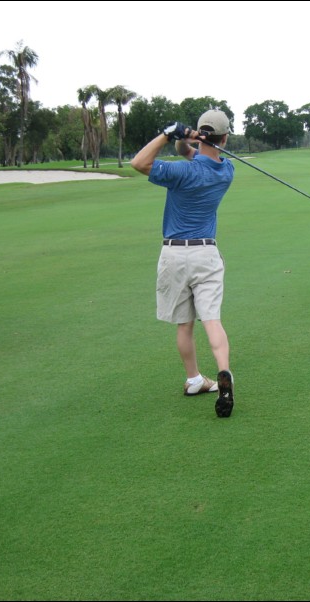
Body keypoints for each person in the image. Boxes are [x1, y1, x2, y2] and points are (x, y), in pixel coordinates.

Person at [130, 109, 235, 418]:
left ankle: (193, 379)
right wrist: (185, 139)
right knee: (212, 320)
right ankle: (223, 372)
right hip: (206, 254)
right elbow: (191, 154)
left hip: (174, 255)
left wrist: (167, 133)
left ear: (202, 135)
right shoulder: (226, 171)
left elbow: (138, 163)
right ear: (225, 138)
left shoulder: (180, 173)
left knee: (184, 323)